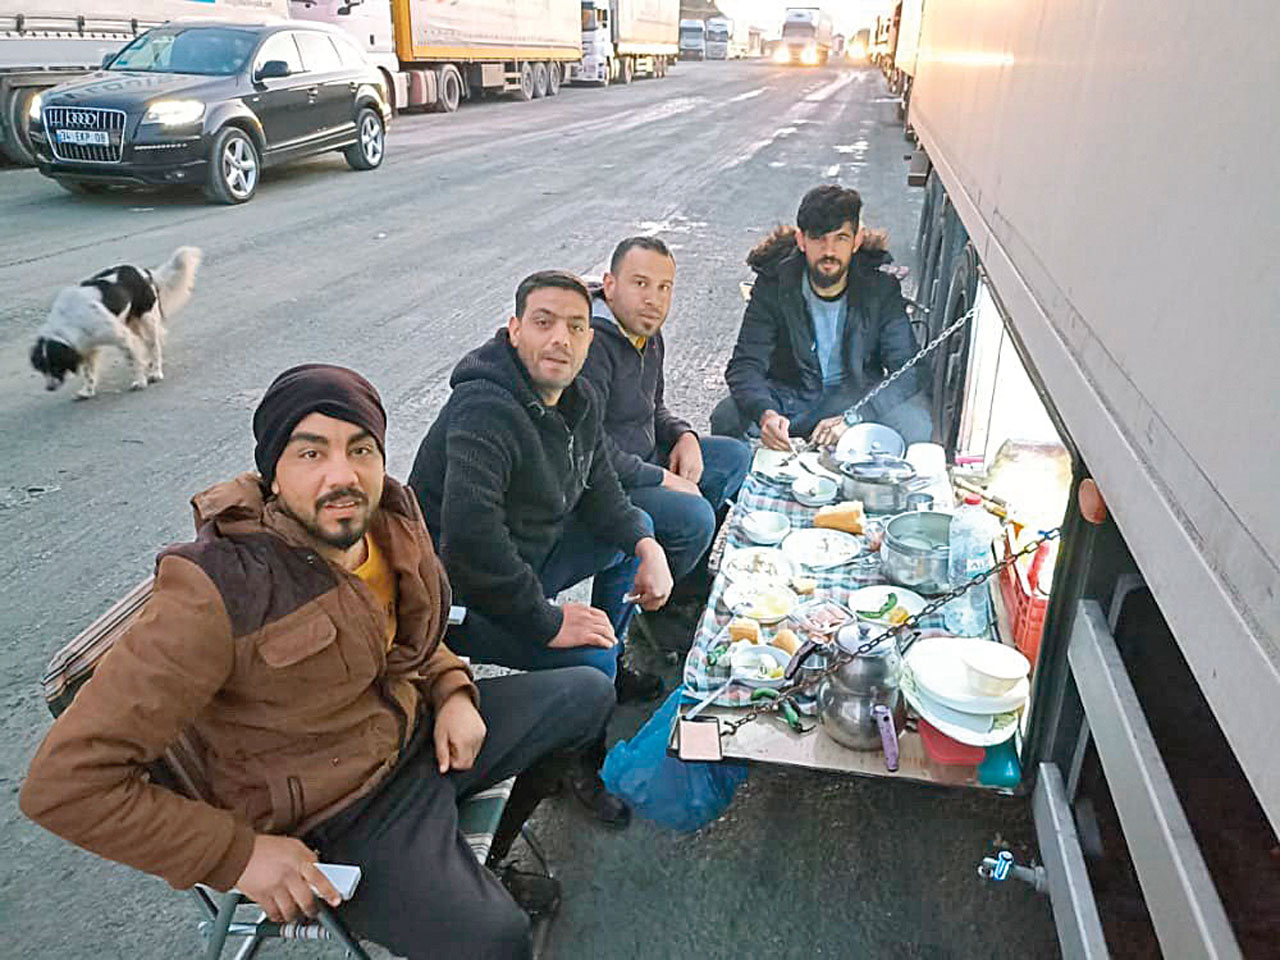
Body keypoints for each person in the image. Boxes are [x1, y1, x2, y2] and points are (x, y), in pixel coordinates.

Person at [21, 364, 615, 960]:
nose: (343, 475)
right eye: (311, 453)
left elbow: (410, 636)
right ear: (272, 473)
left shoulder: (387, 524)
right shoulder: (218, 590)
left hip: (418, 737)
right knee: (496, 940)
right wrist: (240, 855)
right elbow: (65, 786)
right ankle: (462, 889)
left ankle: (480, 866)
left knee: (588, 693)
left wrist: (453, 691)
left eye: (361, 449)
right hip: (344, 815)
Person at [408, 271, 674, 828]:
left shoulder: (577, 398)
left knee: (632, 529)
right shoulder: (484, 407)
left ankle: (609, 656)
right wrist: (547, 620)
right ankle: (573, 761)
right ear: (513, 331)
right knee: (589, 662)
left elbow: (602, 488)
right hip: (455, 592)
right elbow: (471, 543)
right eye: (544, 322)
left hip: (526, 557)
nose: (561, 338)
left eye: (576, 327)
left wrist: (646, 544)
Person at [580, 236, 750, 598]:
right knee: (694, 516)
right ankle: (624, 621)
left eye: (664, 288)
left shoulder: (647, 333)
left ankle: (676, 589)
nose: (653, 300)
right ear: (610, 285)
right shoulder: (590, 344)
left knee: (733, 457)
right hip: (601, 483)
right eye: (640, 284)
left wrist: (684, 435)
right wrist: (664, 479)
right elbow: (589, 449)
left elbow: (653, 407)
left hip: (640, 460)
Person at [711, 184, 933, 451]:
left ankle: (885, 489)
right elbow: (745, 364)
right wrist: (766, 413)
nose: (829, 252)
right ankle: (742, 488)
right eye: (819, 238)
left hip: (854, 398)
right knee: (727, 416)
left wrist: (855, 417)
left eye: (840, 238)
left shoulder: (880, 289)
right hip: (790, 397)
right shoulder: (774, 285)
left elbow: (909, 370)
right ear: (801, 240)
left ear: (857, 241)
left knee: (916, 424)